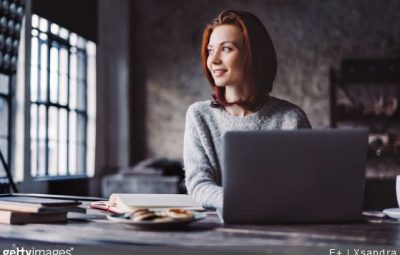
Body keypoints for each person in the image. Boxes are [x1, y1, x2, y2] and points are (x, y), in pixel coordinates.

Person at [183, 10, 311, 210]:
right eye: (210, 50)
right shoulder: (199, 115)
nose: (213, 60)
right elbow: (198, 184)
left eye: (226, 49)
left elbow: (303, 188)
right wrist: (240, 203)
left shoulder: (291, 119)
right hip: (219, 231)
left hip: (280, 228)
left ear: (253, 55)